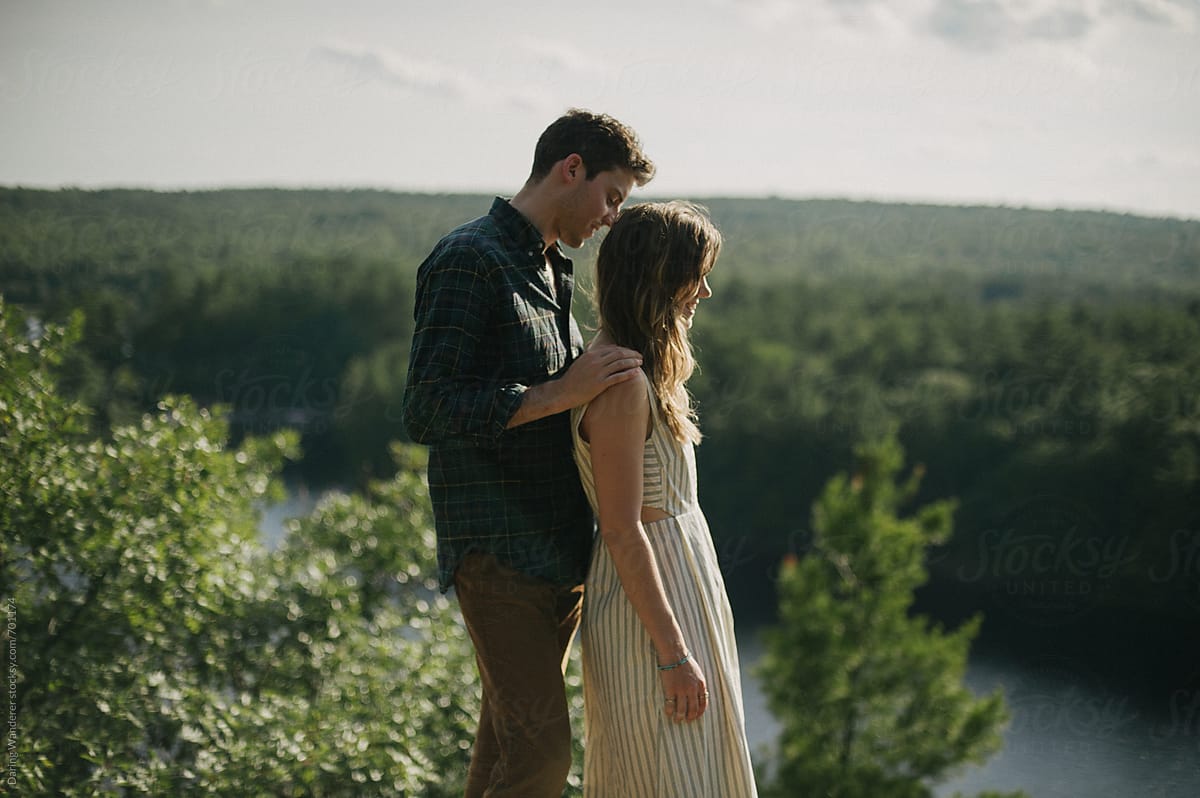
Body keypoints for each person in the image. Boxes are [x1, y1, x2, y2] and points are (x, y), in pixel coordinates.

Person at [402, 109, 655, 798]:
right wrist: (558, 392)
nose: (610, 218)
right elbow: (426, 406)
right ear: (570, 168)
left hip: (559, 559)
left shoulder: (551, 270)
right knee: (543, 761)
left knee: (504, 757)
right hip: (498, 556)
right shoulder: (468, 258)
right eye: (610, 197)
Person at [571, 201, 758, 796]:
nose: (703, 292)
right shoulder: (622, 386)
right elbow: (624, 529)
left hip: (680, 584)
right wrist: (674, 655)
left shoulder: (638, 373)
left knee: (691, 767)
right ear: (658, 276)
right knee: (667, 770)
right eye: (694, 275)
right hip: (650, 604)